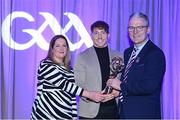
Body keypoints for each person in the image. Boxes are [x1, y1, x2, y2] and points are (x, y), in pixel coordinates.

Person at [30, 35, 105, 119]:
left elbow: (72, 96)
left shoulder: (69, 70)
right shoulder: (46, 64)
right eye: (57, 46)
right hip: (46, 113)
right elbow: (64, 84)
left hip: (65, 115)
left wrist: (73, 116)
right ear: (52, 49)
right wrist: (90, 95)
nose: (61, 48)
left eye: (64, 45)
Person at [106, 12, 166, 119]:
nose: (135, 32)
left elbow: (148, 86)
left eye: (140, 27)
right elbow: (128, 80)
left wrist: (120, 86)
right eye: (131, 28)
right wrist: (118, 91)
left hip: (144, 114)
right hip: (124, 112)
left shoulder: (155, 54)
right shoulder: (128, 52)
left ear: (148, 30)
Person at [74, 21, 123, 119]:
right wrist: (91, 96)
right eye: (96, 33)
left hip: (113, 110)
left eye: (103, 32)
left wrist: (116, 93)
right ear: (91, 35)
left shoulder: (119, 56)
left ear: (108, 35)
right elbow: (78, 84)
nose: (99, 36)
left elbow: (124, 81)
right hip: (89, 111)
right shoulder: (83, 56)